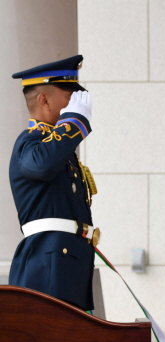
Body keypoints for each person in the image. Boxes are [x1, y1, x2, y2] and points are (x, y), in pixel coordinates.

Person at [9, 55, 97, 311]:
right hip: (48, 265)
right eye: (69, 96)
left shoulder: (59, 151)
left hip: (67, 262)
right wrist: (74, 124)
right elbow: (41, 164)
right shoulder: (29, 143)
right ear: (44, 99)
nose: (75, 103)